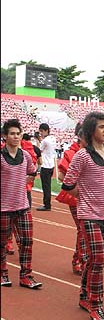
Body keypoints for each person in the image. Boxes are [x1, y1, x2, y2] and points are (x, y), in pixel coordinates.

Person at [62, 111, 104, 320]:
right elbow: (68, 185)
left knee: (92, 259)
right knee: (98, 259)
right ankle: (96, 304)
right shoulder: (82, 155)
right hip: (88, 215)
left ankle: (83, 296)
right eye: (101, 127)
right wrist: (86, 195)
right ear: (91, 130)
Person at [1, 119, 42, 289]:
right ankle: (3, 273)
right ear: (4, 136)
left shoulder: (25, 155)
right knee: (2, 243)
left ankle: (26, 275)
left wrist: (21, 184)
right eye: (12, 133)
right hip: (3, 208)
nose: (16, 136)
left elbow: (32, 172)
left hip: (22, 206)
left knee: (26, 241)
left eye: (18, 133)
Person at [56, 123, 87, 275]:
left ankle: (82, 258)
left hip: (91, 197)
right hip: (76, 196)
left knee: (86, 230)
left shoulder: (94, 151)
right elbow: (62, 176)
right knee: (82, 228)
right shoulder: (71, 153)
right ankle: (79, 260)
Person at [36, 123, 56, 211]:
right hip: (51, 165)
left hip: (45, 165)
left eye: (41, 131)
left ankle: (47, 205)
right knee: (48, 185)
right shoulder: (52, 138)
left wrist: (38, 141)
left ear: (46, 131)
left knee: (46, 186)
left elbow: (39, 150)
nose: (40, 133)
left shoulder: (45, 141)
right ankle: (47, 203)